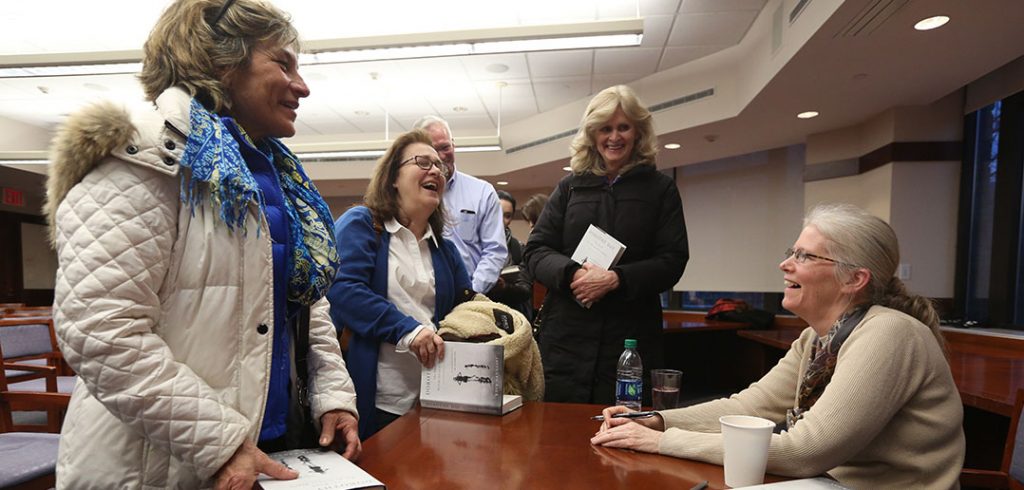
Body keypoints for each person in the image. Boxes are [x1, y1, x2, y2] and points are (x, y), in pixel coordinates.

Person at [44, 1, 359, 487]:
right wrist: (221, 444)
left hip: (272, 446)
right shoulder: (143, 159)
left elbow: (303, 301)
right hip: (162, 465)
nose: (302, 86)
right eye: (283, 63)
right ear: (221, 62)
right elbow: (100, 331)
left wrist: (332, 395)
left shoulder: (274, 172)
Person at [591, 203, 965, 488]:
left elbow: (806, 451)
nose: (785, 264)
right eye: (793, 251)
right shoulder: (816, 338)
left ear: (854, 278)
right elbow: (748, 406)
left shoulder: (890, 334)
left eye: (804, 255)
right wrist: (655, 420)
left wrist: (661, 441)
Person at [523, 85, 689, 405]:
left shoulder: (661, 189)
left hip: (630, 342)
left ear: (638, 132)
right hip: (565, 343)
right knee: (556, 439)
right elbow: (536, 251)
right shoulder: (569, 187)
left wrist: (616, 279)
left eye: (623, 127)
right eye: (606, 128)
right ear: (593, 134)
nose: (614, 137)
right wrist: (572, 274)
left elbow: (673, 260)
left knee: (623, 437)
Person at [328, 130, 474, 439]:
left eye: (440, 166)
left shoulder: (445, 249)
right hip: (379, 401)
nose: (436, 170)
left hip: (433, 399)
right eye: (423, 161)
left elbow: (467, 307)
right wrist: (408, 330)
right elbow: (342, 290)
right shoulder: (362, 224)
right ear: (394, 176)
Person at [413, 115, 507, 295]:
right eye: (432, 149)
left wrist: (469, 294)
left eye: (445, 147)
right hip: (421, 297)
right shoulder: (409, 194)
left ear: (453, 145)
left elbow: (494, 251)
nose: (440, 156)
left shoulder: (482, 192)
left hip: (470, 295)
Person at [488, 190, 532, 314]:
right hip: (476, 315)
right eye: (497, 213)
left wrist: (504, 287)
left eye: (507, 216)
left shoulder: (517, 248)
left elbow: (525, 290)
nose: (501, 220)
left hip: (509, 315)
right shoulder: (471, 245)